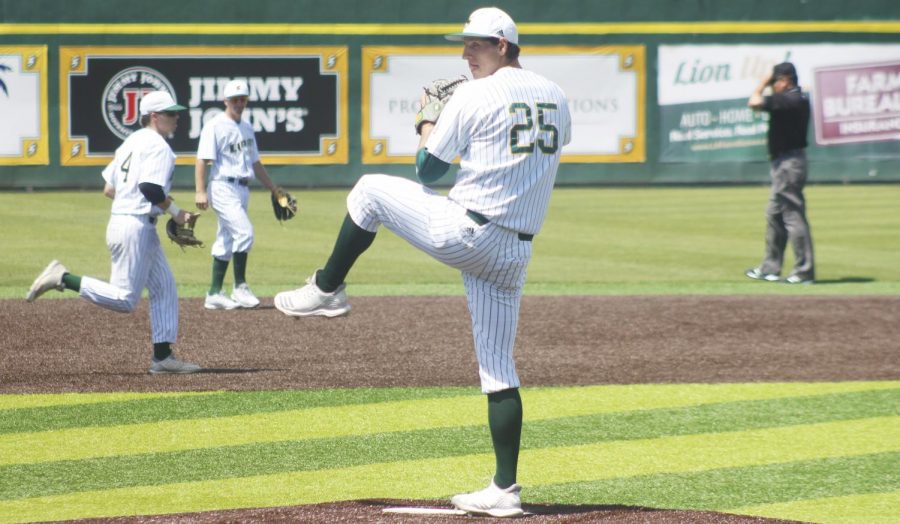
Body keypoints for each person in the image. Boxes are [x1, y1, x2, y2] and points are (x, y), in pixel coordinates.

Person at [273, 6, 571, 518]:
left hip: (468, 230)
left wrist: (428, 120)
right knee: (497, 367)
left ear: (502, 45)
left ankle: (326, 288)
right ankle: (504, 490)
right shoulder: (557, 95)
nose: (465, 53)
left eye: (475, 44)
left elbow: (427, 169)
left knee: (369, 190)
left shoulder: (476, 93)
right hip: (515, 250)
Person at [26, 91, 201, 374]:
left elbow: (109, 189)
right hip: (134, 227)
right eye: (170, 113)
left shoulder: (131, 142)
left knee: (164, 286)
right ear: (154, 117)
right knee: (124, 299)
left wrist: (138, 205)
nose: (176, 118)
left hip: (129, 222)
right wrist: (177, 213)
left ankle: (163, 358)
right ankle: (63, 278)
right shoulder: (159, 147)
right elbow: (150, 189)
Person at [194, 79, 283, 309]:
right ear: (225, 100)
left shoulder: (247, 127)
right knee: (244, 232)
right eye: (235, 99)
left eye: (243, 99)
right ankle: (240, 286)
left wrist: (273, 189)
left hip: (243, 188)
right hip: (222, 186)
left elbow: (255, 163)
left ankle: (214, 293)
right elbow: (202, 159)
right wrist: (200, 191)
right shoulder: (214, 125)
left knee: (226, 239)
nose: (239, 103)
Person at [745, 61, 815, 284]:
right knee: (774, 214)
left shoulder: (791, 99)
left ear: (784, 81)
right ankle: (770, 269)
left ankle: (804, 272)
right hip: (784, 162)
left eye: (775, 82)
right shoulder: (791, 98)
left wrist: (761, 84)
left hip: (789, 163)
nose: (773, 86)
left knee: (792, 215)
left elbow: (753, 102)